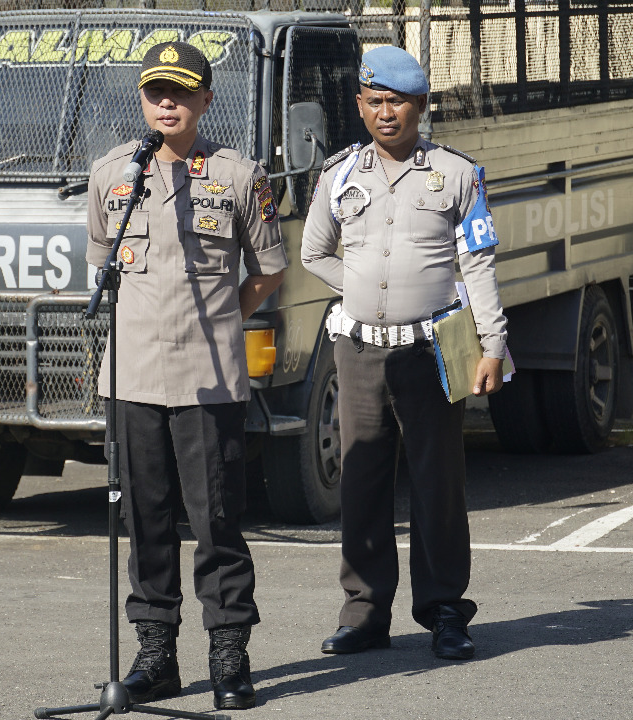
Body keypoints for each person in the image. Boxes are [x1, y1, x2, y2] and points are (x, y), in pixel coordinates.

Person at [84, 41, 287, 710]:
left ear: (205, 100)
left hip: (208, 376)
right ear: (142, 100)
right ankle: (155, 655)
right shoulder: (113, 173)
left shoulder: (237, 176)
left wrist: (227, 316)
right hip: (133, 377)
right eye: (154, 92)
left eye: (181, 91)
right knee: (145, 520)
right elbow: (101, 265)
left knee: (217, 519)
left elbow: (268, 270)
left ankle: (229, 656)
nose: (166, 102)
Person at [300, 45, 508, 660]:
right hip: (359, 349)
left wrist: (492, 343)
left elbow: (479, 262)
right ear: (360, 106)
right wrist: (362, 286)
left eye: (397, 102)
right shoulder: (339, 175)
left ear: (420, 106)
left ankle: (445, 610)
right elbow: (316, 252)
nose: (385, 113)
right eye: (374, 101)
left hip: (433, 349)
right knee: (361, 481)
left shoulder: (457, 174)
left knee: (437, 482)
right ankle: (365, 613)